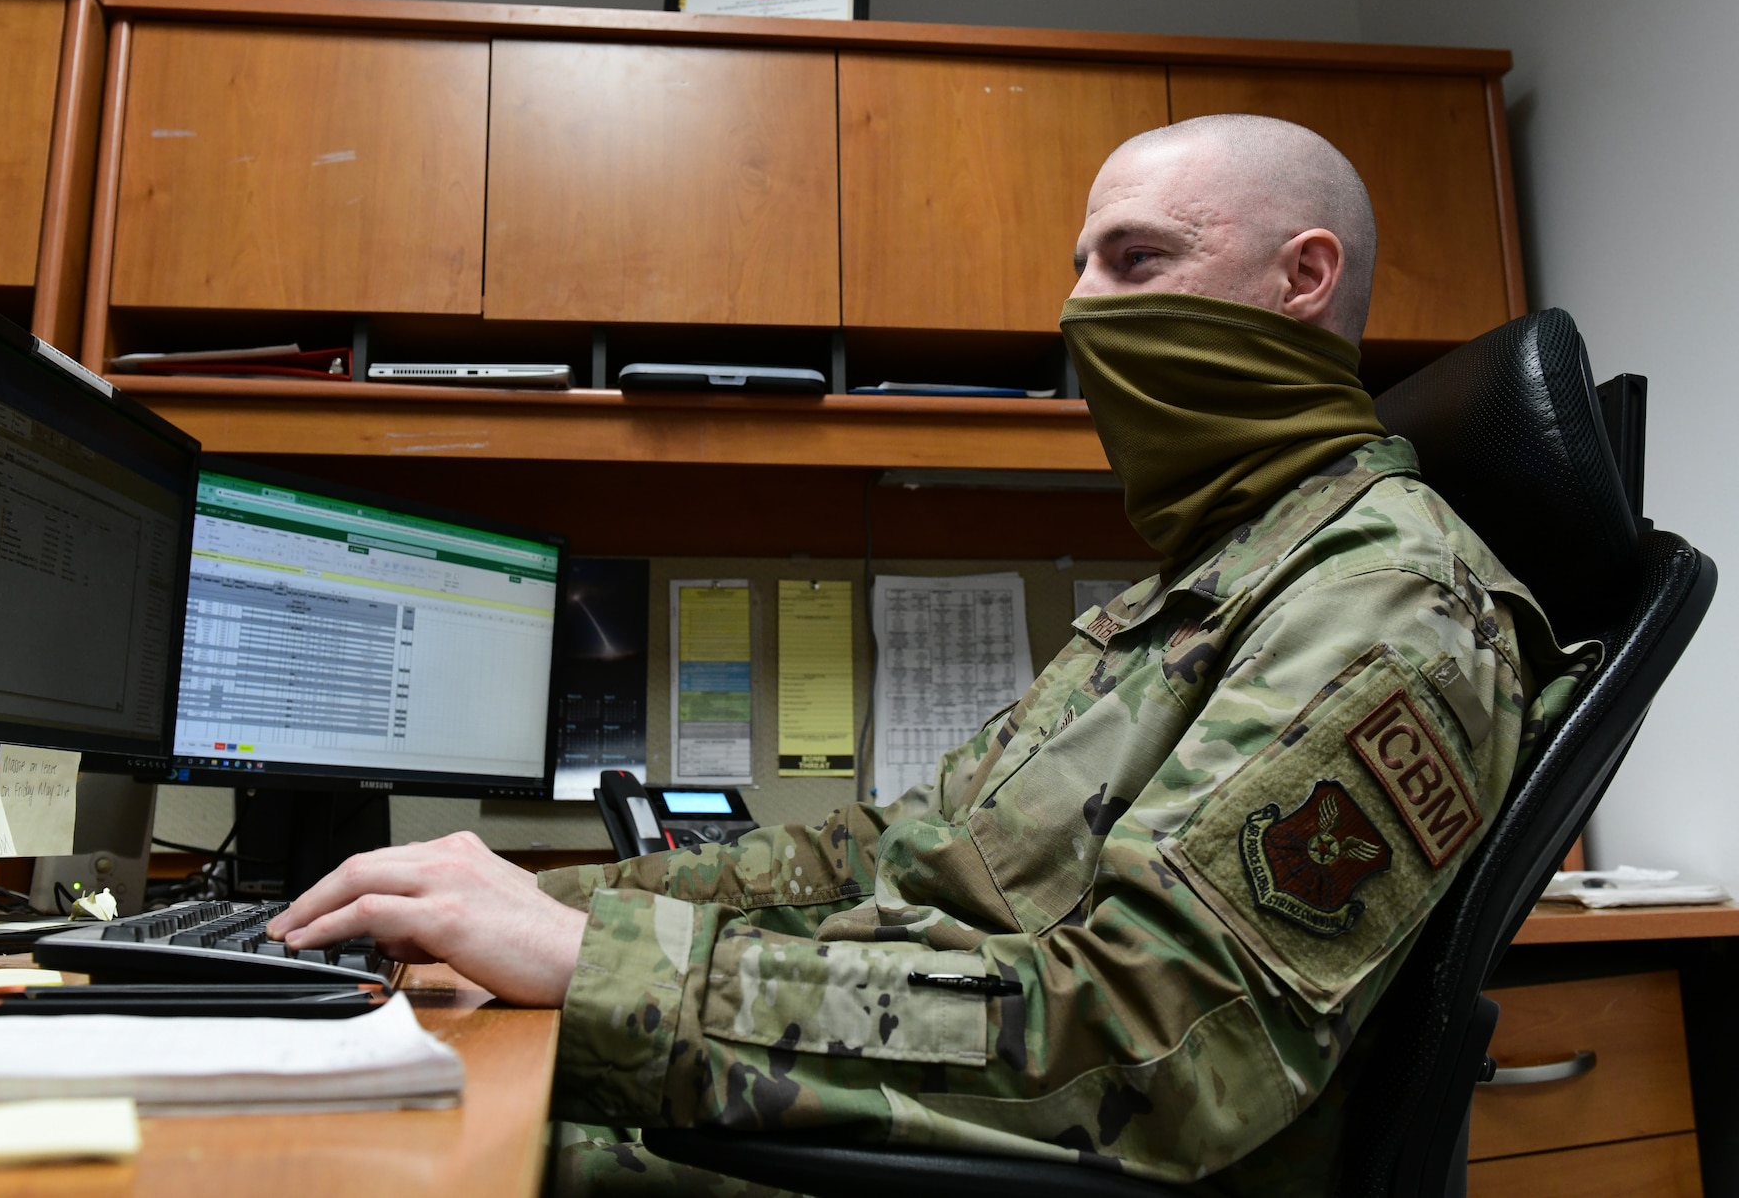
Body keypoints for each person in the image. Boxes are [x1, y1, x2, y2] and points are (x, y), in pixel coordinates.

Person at [265, 115, 1594, 1192]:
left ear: (1300, 279)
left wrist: (603, 968)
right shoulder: (1207, 587)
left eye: (1134, 260)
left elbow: (1154, 1046)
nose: (1080, 314)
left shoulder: (1395, 605)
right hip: (958, 1138)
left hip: (1063, 1169)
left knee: (391, 1152)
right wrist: (564, 901)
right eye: (1079, 266)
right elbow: (893, 854)